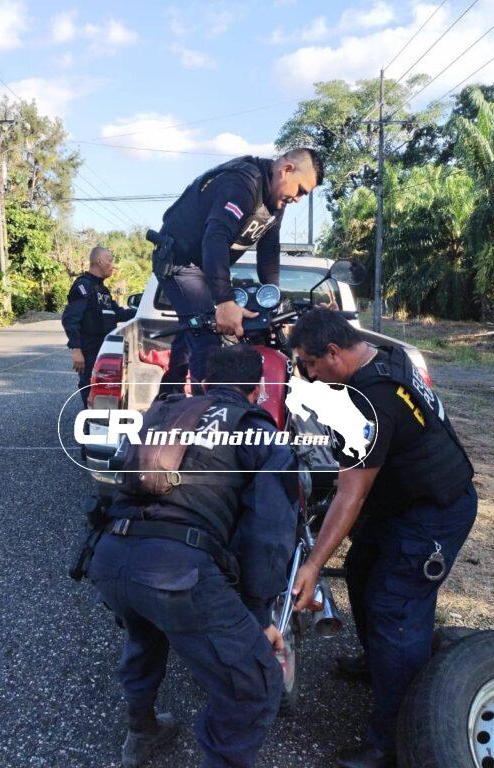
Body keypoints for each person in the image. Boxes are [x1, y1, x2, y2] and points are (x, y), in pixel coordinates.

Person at [88, 345, 298, 768]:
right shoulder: (255, 429)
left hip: (111, 558)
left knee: (145, 633)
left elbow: (117, 481)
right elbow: (269, 530)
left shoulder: (162, 412)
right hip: (175, 572)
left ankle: (142, 731)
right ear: (259, 389)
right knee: (255, 687)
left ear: (201, 384)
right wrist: (259, 615)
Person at [287, 309, 478, 768]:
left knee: (396, 608)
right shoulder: (386, 354)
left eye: (310, 364)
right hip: (400, 501)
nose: (308, 374)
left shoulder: (367, 403)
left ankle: (392, 740)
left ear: (334, 352)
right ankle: (380, 665)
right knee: (361, 568)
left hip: (433, 512)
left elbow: (350, 494)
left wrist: (312, 565)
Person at [153, 148, 324, 390]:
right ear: (287, 170)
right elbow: (216, 238)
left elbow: (269, 251)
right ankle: (214, 406)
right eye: (300, 191)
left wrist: (272, 302)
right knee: (207, 341)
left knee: (193, 329)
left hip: (204, 265)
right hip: (180, 262)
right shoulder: (242, 184)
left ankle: (169, 397)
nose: (297, 199)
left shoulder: (275, 200)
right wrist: (225, 302)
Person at [61, 246, 136, 406]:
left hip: (104, 349)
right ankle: (90, 420)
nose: (112, 265)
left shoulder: (103, 290)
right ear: (100, 261)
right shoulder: (83, 286)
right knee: (90, 389)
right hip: (89, 351)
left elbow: (118, 313)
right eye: (110, 260)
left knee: (105, 390)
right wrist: (76, 350)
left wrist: (141, 311)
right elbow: (70, 319)